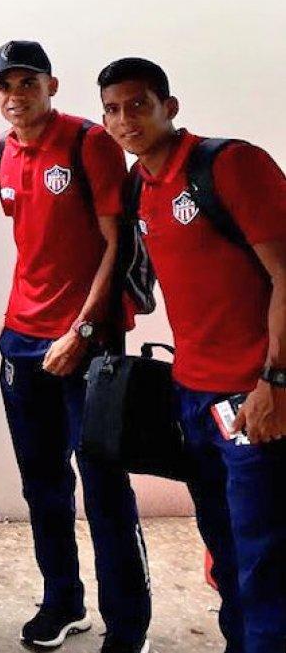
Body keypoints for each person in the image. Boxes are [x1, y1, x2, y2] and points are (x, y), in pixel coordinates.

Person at [98, 57, 286, 653]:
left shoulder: (228, 165)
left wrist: (275, 382)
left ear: (169, 107)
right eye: (112, 110)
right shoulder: (139, 185)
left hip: (253, 394)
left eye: (138, 104)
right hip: (193, 398)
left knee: (264, 557)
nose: (125, 120)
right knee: (226, 550)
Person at [0, 41, 151, 653]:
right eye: (6, 86)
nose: (17, 95)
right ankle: (63, 602)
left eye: (29, 82)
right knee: (43, 483)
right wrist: (20, 330)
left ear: (51, 85)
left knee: (104, 486)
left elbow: (116, 244)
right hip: (21, 343)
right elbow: (34, 244)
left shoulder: (89, 142)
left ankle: (127, 626)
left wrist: (80, 331)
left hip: (89, 344)